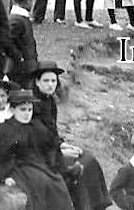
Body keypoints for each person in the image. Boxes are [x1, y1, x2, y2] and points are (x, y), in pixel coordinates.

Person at [31, 60, 112, 210]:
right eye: (46, 80)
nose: (50, 84)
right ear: (37, 82)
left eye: (53, 81)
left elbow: (52, 131)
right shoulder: (32, 105)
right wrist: (59, 149)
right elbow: (38, 137)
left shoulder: (49, 101)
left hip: (53, 148)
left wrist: (62, 144)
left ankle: (98, 205)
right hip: (40, 155)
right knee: (76, 167)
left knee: (89, 158)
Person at [7, 0, 39, 88]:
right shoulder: (17, 20)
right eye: (32, 0)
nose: (33, 3)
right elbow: (7, 42)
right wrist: (19, 58)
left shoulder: (20, 18)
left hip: (25, 69)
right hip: (19, 72)